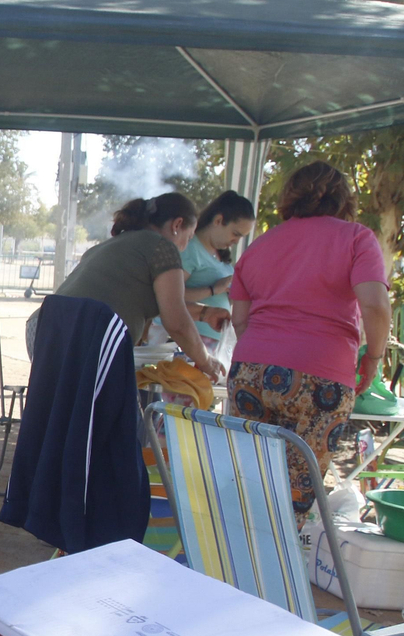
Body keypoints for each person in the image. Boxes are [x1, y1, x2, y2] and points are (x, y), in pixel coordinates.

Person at [228, 160, 390, 519]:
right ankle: (279, 571)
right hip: (321, 380)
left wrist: (264, 353)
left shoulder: (260, 245)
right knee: (294, 497)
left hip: (250, 373)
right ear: (343, 199)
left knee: (249, 482)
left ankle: (233, 564)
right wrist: (373, 359)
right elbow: (376, 307)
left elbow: (240, 318)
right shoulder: (356, 238)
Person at [47, 192, 226, 384]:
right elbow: (176, 321)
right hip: (86, 337)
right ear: (177, 225)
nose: (185, 247)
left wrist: (205, 313)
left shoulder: (114, 244)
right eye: (189, 237)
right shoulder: (163, 247)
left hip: (48, 331)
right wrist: (206, 361)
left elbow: (162, 303)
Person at [179, 190, 256, 357]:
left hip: (213, 342)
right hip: (186, 340)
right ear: (218, 220)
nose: (236, 242)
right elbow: (170, 296)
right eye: (235, 234)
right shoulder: (190, 248)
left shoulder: (220, 255)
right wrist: (214, 289)